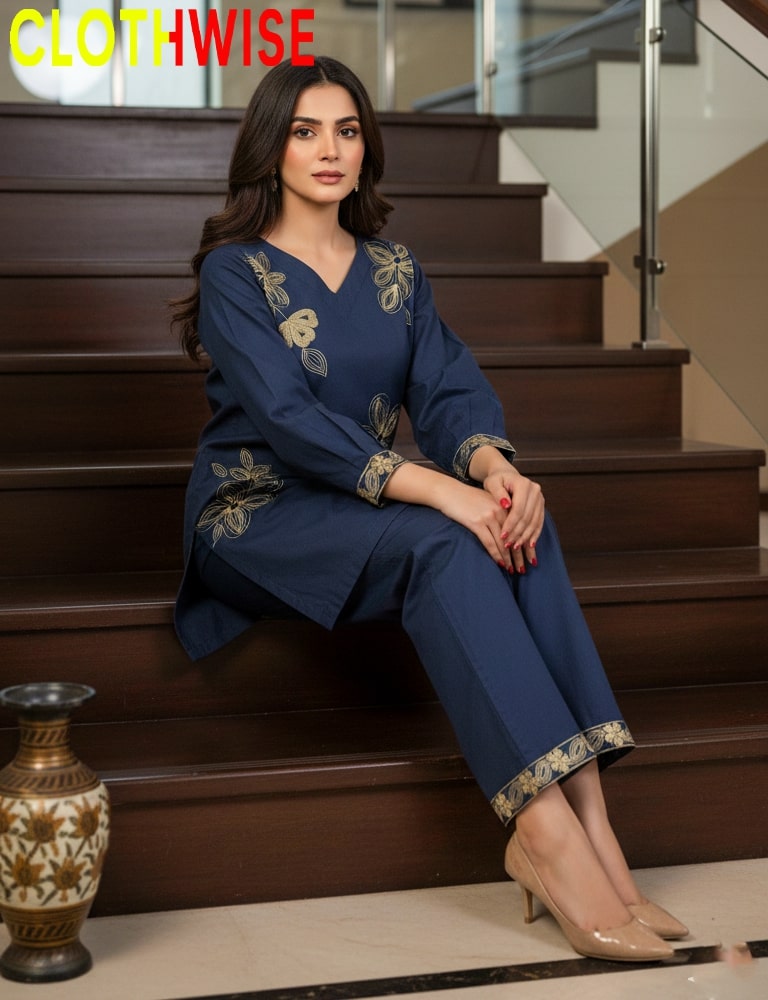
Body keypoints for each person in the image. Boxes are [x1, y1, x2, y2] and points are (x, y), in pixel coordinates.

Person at [172, 56, 687, 963]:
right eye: (305, 131)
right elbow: (291, 427)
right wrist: (442, 490)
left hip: (372, 508)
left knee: (519, 516)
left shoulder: (395, 271)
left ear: (366, 147)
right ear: (271, 146)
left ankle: (598, 830)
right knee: (449, 543)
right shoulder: (235, 272)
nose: (329, 150)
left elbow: (447, 393)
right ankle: (547, 840)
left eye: (347, 130)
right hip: (259, 515)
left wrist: (490, 470)